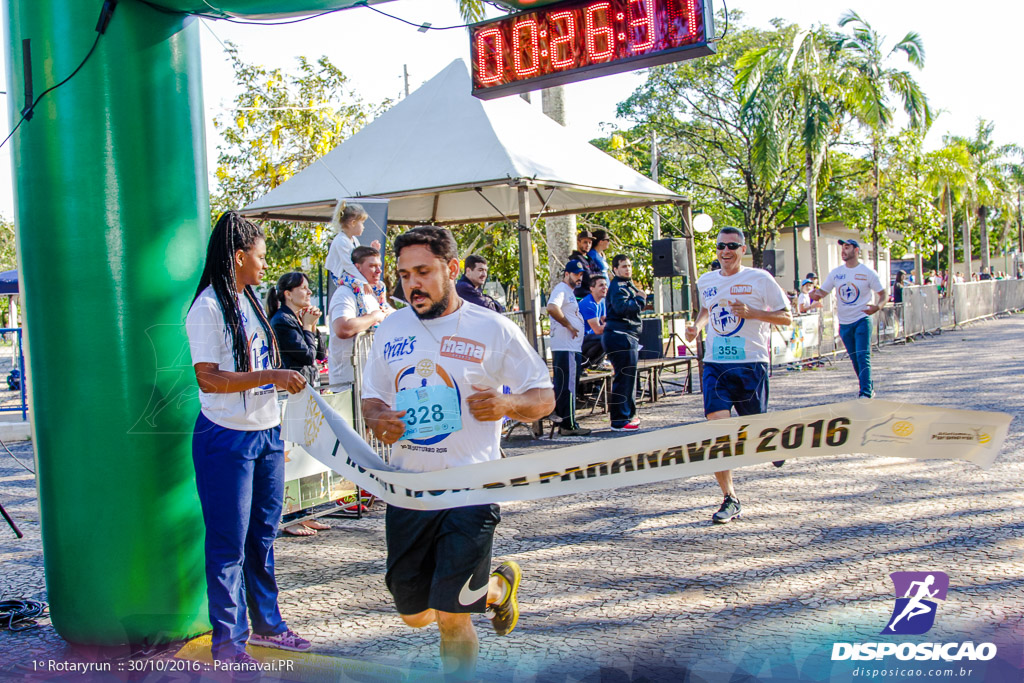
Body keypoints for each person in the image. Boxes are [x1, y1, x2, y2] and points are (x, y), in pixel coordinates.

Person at [360, 227, 554, 680]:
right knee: (414, 614)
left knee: (451, 617)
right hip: (410, 491)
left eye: (423, 272)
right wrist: (376, 419)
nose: (412, 284)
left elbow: (543, 397)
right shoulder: (391, 327)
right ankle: (498, 586)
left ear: (450, 269)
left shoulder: (493, 327)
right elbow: (372, 397)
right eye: (405, 274)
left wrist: (507, 404)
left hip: (470, 489)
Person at [185, 211, 311, 670]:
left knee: (262, 537)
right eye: (259, 256)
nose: (265, 264)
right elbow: (209, 380)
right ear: (238, 257)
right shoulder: (208, 308)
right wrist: (272, 375)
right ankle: (229, 644)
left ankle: (269, 626)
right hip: (226, 440)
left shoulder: (252, 302)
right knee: (228, 545)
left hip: (265, 435)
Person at [684, 227, 792, 524]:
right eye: (721, 246)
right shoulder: (706, 280)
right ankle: (729, 497)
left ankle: (771, 439)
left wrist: (753, 313)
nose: (726, 251)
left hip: (750, 364)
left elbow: (787, 316)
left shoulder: (760, 279)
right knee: (718, 431)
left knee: (755, 424)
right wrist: (697, 328)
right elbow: (706, 309)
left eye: (732, 246)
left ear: (743, 249)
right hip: (715, 365)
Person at [267, 272, 331, 538]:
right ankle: (290, 516)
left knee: (306, 454)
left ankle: (307, 512)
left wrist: (312, 328)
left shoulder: (299, 320)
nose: (308, 293)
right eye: (303, 289)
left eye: (308, 288)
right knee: (292, 455)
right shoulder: (282, 321)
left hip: (306, 393)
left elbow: (319, 354)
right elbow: (304, 355)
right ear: (287, 293)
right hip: (290, 396)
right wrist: (306, 329)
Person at [810, 239, 887, 399]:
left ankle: (865, 392)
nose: (843, 251)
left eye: (847, 247)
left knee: (862, 355)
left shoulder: (867, 272)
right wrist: (814, 294)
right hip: (844, 322)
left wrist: (877, 307)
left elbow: (884, 294)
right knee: (854, 358)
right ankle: (868, 386)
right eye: (842, 248)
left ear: (856, 250)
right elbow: (823, 292)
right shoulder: (836, 273)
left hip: (862, 319)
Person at [328, 246, 394, 390]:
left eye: (379, 266)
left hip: (370, 382)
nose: (378, 271)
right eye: (372, 266)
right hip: (349, 384)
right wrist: (375, 316)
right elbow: (343, 328)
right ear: (356, 267)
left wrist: (389, 314)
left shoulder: (372, 294)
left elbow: (388, 314)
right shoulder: (345, 293)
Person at [546, 261, 591, 436]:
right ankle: (568, 425)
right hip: (565, 346)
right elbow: (551, 307)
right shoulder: (561, 289)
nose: (579, 277)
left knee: (568, 384)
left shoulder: (570, 293)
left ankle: (566, 421)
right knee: (568, 386)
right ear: (567, 274)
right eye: (576, 274)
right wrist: (569, 325)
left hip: (571, 347)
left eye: (581, 274)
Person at [603, 254, 645, 431]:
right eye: (623, 266)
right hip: (620, 335)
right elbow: (622, 309)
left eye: (629, 265)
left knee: (629, 378)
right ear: (615, 269)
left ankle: (628, 414)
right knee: (624, 377)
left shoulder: (627, 284)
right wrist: (640, 300)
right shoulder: (618, 286)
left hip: (627, 335)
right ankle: (619, 420)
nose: (627, 269)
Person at [325, 202, 380, 284]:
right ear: (353, 223)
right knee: (358, 285)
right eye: (362, 223)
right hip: (340, 275)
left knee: (379, 285)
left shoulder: (354, 240)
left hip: (349, 273)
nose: (363, 227)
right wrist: (363, 282)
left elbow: (360, 258)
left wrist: (373, 251)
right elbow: (348, 265)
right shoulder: (341, 240)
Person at [578, 274, 608, 369]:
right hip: (580, 340)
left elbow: (605, 321)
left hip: (590, 338)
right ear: (592, 288)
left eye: (605, 285)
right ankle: (584, 364)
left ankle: (597, 363)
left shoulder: (601, 301)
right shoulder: (588, 304)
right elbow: (598, 330)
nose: (604, 288)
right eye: (601, 285)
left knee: (613, 336)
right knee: (606, 338)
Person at [569, 230, 601, 299]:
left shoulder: (589, 258)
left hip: (591, 296)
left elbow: (600, 273)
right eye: (585, 242)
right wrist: (595, 275)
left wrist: (594, 275)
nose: (588, 245)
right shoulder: (576, 259)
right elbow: (587, 277)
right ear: (578, 242)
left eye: (590, 243)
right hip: (581, 297)